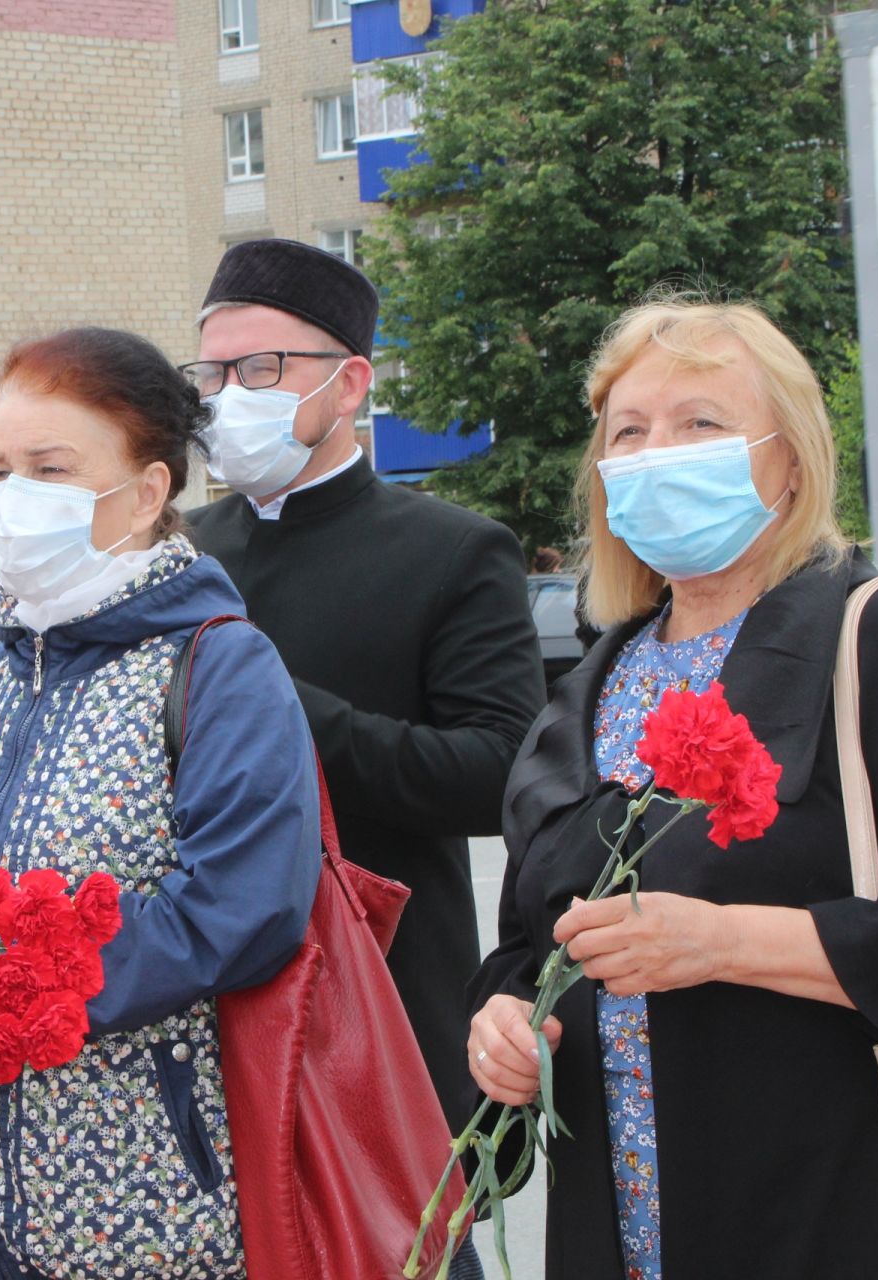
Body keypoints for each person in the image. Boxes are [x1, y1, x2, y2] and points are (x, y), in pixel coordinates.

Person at [466, 296, 878, 1278]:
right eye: (629, 431)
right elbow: (532, 944)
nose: (658, 452)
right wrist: (503, 1024)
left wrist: (727, 940)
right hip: (619, 1235)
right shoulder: (587, 691)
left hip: (843, 1226)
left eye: (700, 422)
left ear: (790, 463)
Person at [0, 327, 321, 1279]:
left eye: (50, 469)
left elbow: (242, 909)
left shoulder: (216, 665)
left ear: (147, 493)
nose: (11, 499)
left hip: (147, 1210)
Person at [183, 238, 545, 1129]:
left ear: (348, 385)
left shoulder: (452, 551)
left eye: (260, 368)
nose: (229, 397)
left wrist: (280, 713)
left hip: (386, 1012)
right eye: (213, 373)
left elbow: (501, 773)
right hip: (210, 1009)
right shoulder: (180, 548)